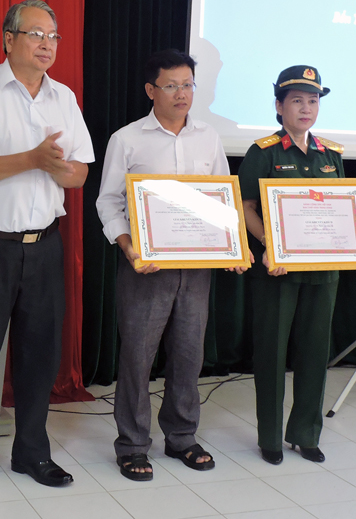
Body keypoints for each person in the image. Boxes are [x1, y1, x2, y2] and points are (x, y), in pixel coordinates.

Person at [0, 0, 93, 496]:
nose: (48, 44)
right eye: (36, 34)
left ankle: (32, 452)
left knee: (38, 357)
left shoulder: (63, 97)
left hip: (44, 246)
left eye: (54, 36)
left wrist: (55, 168)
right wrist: (32, 158)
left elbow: (80, 172)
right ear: (8, 39)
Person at [97, 49, 248, 481]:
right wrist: (128, 247)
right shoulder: (127, 139)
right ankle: (131, 445)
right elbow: (108, 201)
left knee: (188, 355)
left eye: (188, 84)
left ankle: (182, 437)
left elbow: (222, 197)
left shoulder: (208, 137)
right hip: (146, 267)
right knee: (137, 358)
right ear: (151, 90)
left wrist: (233, 245)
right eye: (172, 85)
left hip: (197, 268)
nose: (182, 94)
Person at [238, 65, 356, 465]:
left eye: (312, 101)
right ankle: (269, 437)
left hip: (323, 272)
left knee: (315, 353)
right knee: (271, 353)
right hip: (277, 272)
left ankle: (305, 433)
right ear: (279, 106)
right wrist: (270, 244)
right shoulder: (262, 152)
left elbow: (346, 212)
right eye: (297, 100)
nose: (306, 108)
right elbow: (246, 206)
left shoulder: (330, 154)